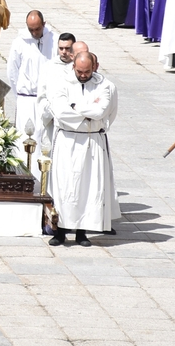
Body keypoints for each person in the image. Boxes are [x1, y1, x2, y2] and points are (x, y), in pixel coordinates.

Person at [41, 52, 120, 247]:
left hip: (92, 141)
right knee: (65, 186)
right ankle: (60, 231)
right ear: (73, 67)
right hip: (68, 140)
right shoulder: (61, 83)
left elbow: (101, 111)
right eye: (79, 71)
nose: (83, 75)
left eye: (87, 71)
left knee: (89, 187)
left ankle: (82, 232)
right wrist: (86, 111)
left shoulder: (105, 85)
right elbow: (60, 111)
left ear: (94, 67)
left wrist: (76, 107)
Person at [5, 11, 54, 175]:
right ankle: (25, 175)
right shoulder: (19, 43)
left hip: (46, 98)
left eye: (38, 29)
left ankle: (44, 177)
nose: (34, 33)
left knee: (44, 137)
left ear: (44, 24)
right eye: (31, 29)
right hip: (26, 98)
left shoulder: (53, 40)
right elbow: (12, 72)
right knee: (24, 138)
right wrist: (19, 94)